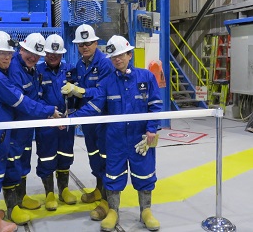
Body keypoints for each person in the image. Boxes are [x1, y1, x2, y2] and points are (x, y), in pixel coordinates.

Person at [67, 35, 163, 231]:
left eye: (120, 55)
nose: (117, 59)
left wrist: (152, 129)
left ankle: (146, 211)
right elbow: (95, 105)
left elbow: (155, 105)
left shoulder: (146, 77)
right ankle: (113, 211)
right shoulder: (108, 81)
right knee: (113, 176)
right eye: (113, 57)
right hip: (115, 139)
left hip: (140, 139)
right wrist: (71, 118)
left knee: (144, 175)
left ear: (129, 54)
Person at [0, 31, 61, 232]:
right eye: (2, 54)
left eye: (9, 54)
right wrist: (50, 112)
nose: (7, 58)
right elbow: (20, 101)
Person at [61, 24, 113, 211]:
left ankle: (107, 199)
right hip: (89, 120)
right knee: (94, 156)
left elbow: (102, 93)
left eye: (88, 43)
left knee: (106, 157)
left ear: (96, 42)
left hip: (102, 118)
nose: (85, 47)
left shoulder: (105, 63)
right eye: (81, 44)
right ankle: (99, 189)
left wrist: (81, 91)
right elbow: (79, 92)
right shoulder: (80, 64)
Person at [2, 32, 48, 225]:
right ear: (21, 49)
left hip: (26, 127)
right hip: (14, 126)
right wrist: (47, 111)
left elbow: (35, 97)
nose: (33, 58)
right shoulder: (14, 69)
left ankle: (21, 197)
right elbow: (21, 102)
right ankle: (12, 208)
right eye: (30, 53)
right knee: (12, 163)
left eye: (37, 55)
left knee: (23, 161)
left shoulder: (32, 70)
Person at [36, 34, 77, 211]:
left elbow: (78, 94)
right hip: (46, 122)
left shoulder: (70, 70)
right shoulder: (37, 71)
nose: (53, 56)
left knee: (65, 154)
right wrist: (49, 115)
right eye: (50, 54)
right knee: (46, 156)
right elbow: (34, 99)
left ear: (62, 54)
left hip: (66, 122)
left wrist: (70, 114)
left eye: (57, 54)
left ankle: (64, 189)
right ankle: (49, 193)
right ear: (44, 52)